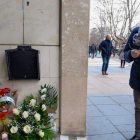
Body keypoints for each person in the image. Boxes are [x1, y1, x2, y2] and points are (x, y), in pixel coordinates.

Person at [124, 27, 140, 140]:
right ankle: (138, 134)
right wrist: (131, 53)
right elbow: (125, 52)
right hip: (138, 76)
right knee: (138, 107)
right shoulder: (136, 31)